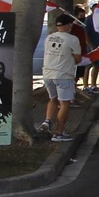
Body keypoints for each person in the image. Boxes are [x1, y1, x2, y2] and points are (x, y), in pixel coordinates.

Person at [39, 14, 82, 142]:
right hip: (63, 75)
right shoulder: (72, 39)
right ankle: (59, 132)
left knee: (52, 98)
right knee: (64, 103)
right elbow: (78, 58)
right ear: (69, 25)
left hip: (47, 73)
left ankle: (47, 121)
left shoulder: (49, 38)